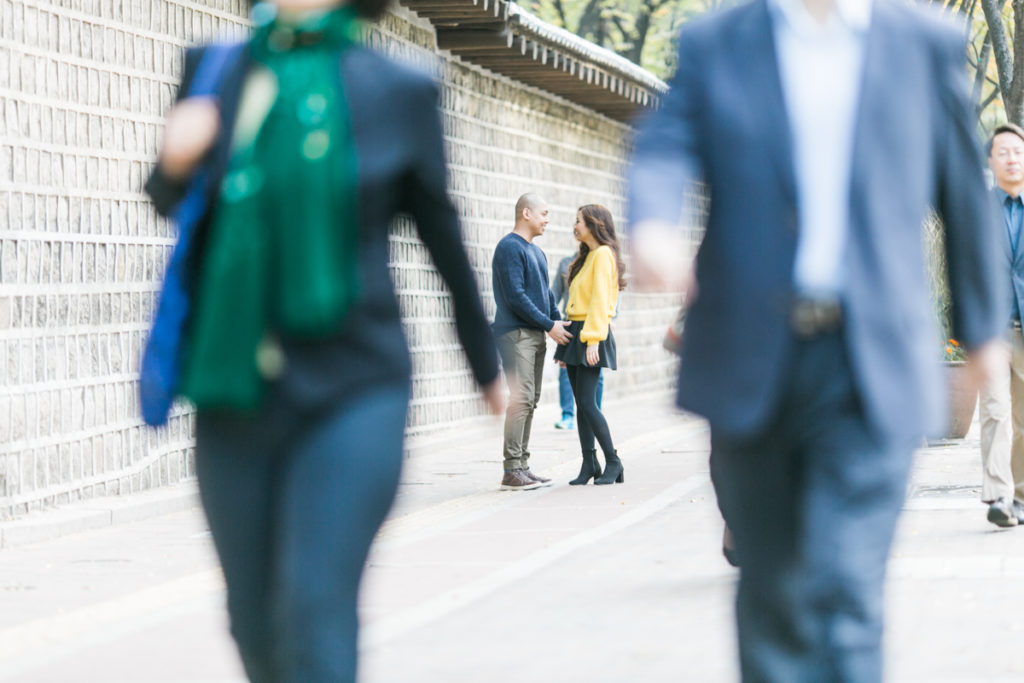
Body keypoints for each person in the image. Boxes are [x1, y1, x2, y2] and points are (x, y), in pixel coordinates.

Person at [627, 0, 1007, 679]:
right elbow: (664, 142)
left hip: (871, 363)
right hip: (753, 360)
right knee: (773, 598)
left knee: (844, 587)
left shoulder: (923, 43)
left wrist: (981, 332)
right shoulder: (721, 41)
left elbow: (962, 191)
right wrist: (653, 223)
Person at [143, 0, 502, 679]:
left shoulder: (399, 87)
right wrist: (173, 160)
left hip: (355, 387)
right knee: (253, 619)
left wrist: (486, 365)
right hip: (235, 390)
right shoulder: (216, 66)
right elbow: (171, 199)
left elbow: (441, 237)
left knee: (313, 606)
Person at [492, 193, 571, 490]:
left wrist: (556, 321)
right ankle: (511, 469)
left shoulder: (536, 252)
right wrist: (548, 324)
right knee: (521, 398)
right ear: (526, 213)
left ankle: (522, 465)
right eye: (544, 213)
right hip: (515, 334)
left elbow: (547, 295)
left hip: (535, 334)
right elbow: (516, 296)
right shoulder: (509, 247)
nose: (547, 219)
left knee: (530, 400)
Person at [554, 205, 626, 485]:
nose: (575, 225)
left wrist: (593, 339)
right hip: (575, 330)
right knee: (581, 403)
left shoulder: (603, 255)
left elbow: (601, 299)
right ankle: (589, 463)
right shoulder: (587, 257)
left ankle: (614, 461)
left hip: (590, 332)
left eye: (579, 221)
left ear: (594, 224)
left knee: (587, 401)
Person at [979, 123, 1024, 527]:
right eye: (1003, 152)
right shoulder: (978, 210)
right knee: (995, 410)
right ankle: (999, 497)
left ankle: (1021, 494)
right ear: (991, 161)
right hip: (993, 328)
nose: (1012, 158)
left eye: (1018, 151)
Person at [551, 251, 604, 430]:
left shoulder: (601, 258)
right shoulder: (566, 263)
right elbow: (554, 295)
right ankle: (567, 415)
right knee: (565, 369)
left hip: (595, 322)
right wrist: (553, 321)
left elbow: (608, 293)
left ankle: (594, 413)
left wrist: (610, 319)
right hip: (570, 323)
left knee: (594, 369)